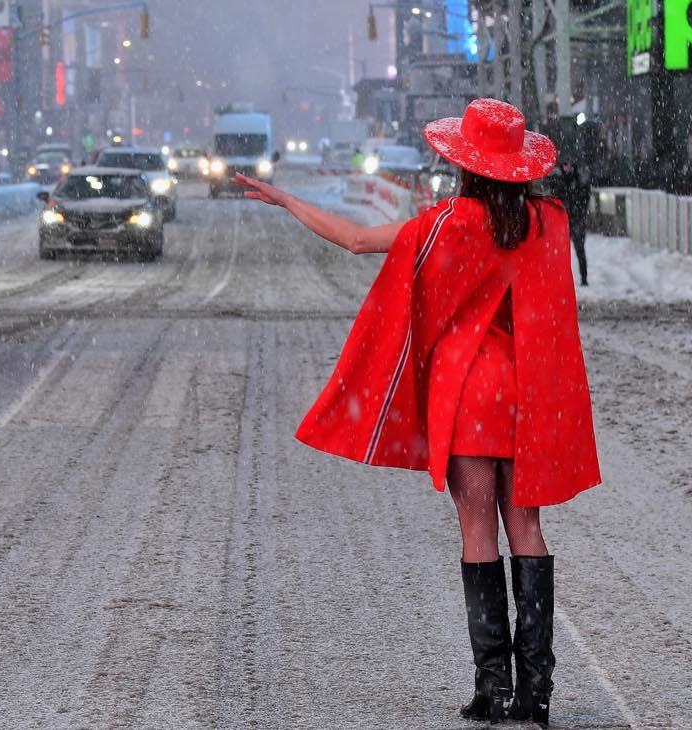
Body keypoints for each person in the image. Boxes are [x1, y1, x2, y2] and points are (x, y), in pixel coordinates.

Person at [238, 98, 600, 727]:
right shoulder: (548, 224)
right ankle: (535, 695)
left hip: (469, 399)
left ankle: (492, 689)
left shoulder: (444, 225)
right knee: (528, 532)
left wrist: (289, 200)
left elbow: (355, 241)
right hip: (528, 395)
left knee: (477, 534)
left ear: (465, 165)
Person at [549, 160, 591, 286]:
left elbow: (585, 197)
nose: (567, 168)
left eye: (569, 165)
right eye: (565, 165)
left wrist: (579, 212)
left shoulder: (578, 181)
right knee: (561, 253)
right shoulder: (558, 181)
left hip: (576, 220)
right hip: (564, 221)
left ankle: (584, 278)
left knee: (579, 250)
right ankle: (560, 279)